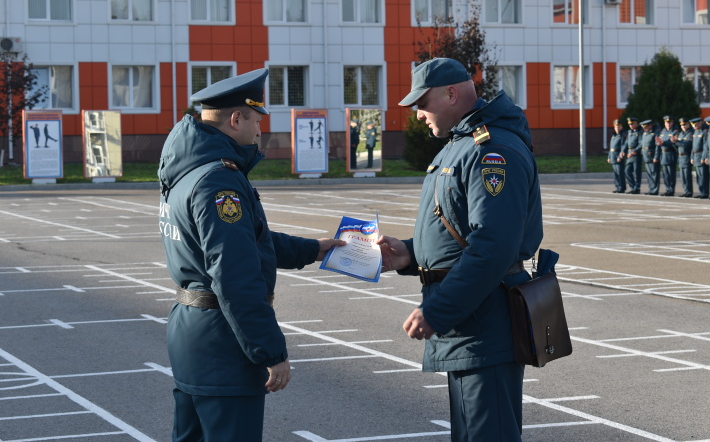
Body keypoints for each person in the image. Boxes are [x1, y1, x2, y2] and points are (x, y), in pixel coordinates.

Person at [157, 68, 345, 442]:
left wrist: (314, 248)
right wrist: (270, 351)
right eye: (257, 119)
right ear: (236, 119)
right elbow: (236, 275)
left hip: (193, 334)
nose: (260, 130)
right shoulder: (218, 180)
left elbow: (246, 240)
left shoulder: (186, 168)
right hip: (222, 343)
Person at [376, 58, 541, 442]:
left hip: (484, 323)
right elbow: (460, 231)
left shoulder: (490, 150)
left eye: (422, 103)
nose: (418, 115)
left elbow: (493, 246)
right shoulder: (462, 144)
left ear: (452, 94)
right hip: (469, 324)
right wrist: (410, 254)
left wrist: (438, 309)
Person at [656, 115, 678, 196]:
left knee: (671, 174)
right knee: (665, 174)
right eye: (666, 122)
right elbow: (659, 141)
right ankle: (667, 189)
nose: (668, 124)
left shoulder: (675, 132)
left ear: (672, 122)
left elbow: (672, 143)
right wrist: (658, 143)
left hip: (670, 154)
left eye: (669, 122)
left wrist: (663, 143)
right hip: (663, 154)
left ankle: (671, 190)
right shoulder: (663, 131)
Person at [690, 118, 709, 198]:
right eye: (693, 125)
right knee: (698, 177)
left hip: (701, 155)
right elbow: (693, 147)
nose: (694, 126)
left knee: (703, 176)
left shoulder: (704, 132)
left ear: (700, 123)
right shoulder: (695, 132)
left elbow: (705, 146)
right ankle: (701, 191)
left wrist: (703, 157)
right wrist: (692, 157)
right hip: (696, 156)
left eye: (696, 124)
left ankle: (705, 192)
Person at [640, 119, 661, 195]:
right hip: (646, 156)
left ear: (650, 125)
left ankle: (655, 190)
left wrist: (656, 156)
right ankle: (651, 188)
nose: (644, 129)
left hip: (652, 155)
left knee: (654, 174)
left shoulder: (655, 133)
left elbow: (657, 147)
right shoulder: (645, 134)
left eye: (645, 127)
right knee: (649, 174)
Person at [676, 117, 694, 197]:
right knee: (682, 176)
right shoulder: (680, 134)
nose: (683, 126)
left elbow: (686, 145)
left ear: (688, 124)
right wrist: (674, 142)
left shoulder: (690, 133)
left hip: (686, 156)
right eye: (682, 125)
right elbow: (677, 147)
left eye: (685, 124)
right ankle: (685, 190)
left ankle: (689, 191)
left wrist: (676, 141)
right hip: (680, 157)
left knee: (687, 176)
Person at [608, 118, 627, 193]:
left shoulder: (622, 136)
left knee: (620, 173)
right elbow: (611, 147)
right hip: (613, 155)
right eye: (616, 126)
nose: (617, 128)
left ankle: (622, 188)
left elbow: (623, 147)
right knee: (615, 173)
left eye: (619, 126)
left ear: (622, 127)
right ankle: (617, 186)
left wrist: (620, 156)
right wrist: (609, 157)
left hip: (618, 156)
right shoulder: (614, 136)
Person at [624, 117, 642, 194]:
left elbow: (641, 143)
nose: (631, 125)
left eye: (632, 124)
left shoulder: (640, 131)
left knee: (637, 172)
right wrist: (623, 151)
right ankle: (633, 186)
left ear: (636, 123)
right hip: (629, 153)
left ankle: (637, 188)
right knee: (627, 171)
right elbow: (626, 143)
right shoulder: (629, 132)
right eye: (629, 124)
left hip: (636, 154)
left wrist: (635, 151)